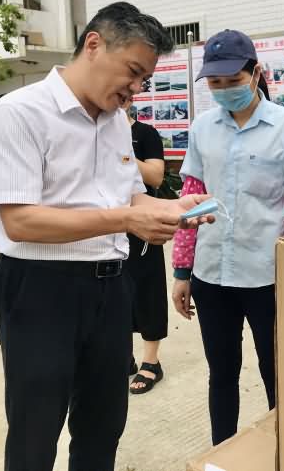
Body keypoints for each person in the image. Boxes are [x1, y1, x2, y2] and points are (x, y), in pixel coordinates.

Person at [0, 1, 214, 471]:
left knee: (102, 426)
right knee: (35, 431)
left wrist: (170, 209)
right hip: (40, 289)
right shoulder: (20, 113)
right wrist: (125, 221)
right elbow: (20, 221)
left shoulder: (115, 122)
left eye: (145, 78)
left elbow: (127, 196)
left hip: (110, 288)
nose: (137, 88)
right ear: (93, 44)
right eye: (133, 71)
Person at [170, 29, 284, 445]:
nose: (224, 90)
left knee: (276, 372)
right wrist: (182, 271)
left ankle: (282, 452)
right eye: (215, 83)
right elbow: (191, 199)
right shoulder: (202, 128)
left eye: (232, 80)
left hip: (268, 277)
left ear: (256, 73)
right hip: (212, 275)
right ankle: (223, 454)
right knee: (221, 373)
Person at [121, 96, 168, 394]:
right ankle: (123, 357)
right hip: (107, 224)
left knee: (147, 291)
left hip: (144, 221)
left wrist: (123, 153)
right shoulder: (94, 133)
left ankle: (151, 361)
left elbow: (156, 176)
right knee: (114, 294)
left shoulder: (145, 134)